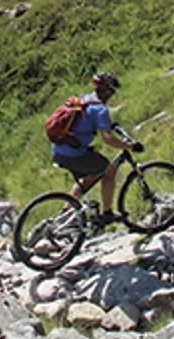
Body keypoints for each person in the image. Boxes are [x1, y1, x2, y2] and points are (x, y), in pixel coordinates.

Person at [51, 71, 141, 226]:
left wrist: (110, 125)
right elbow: (108, 139)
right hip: (74, 154)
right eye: (112, 91)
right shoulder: (100, 109)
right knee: (109, 170)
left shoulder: (84, 99)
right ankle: (107, 213)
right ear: (107, 90)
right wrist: (129, 146)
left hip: (59, 150)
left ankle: (65, 214)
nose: (112, 95)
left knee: (87, 179)